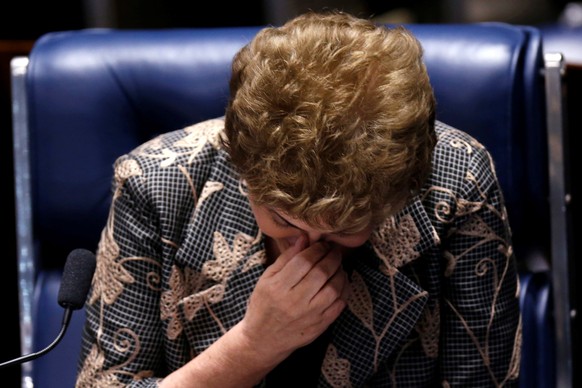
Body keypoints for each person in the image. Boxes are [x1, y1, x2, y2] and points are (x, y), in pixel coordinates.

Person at [75, 10, 521, 388]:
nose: (306, 250)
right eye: (283, 220)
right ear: (239, 163)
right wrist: (252, 345)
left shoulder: (455, 179)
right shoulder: (155, 183)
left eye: (346, 228)